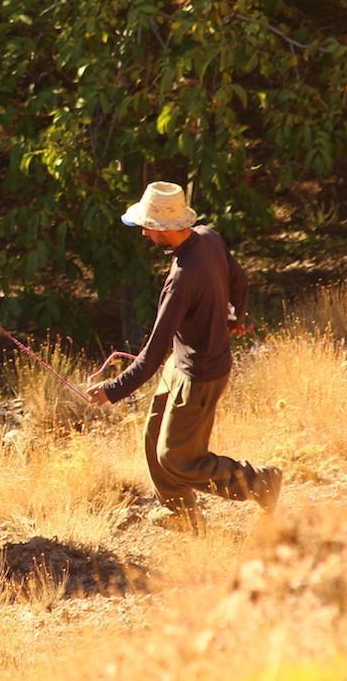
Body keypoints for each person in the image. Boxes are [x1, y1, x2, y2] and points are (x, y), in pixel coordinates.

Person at [84, 181, 282, 530]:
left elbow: (150, 355)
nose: (144, 232)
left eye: (148, 226)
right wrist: (236, 318)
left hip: (200, 376)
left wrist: (111, 391)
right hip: (182, 362)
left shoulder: (181, 280)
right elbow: (242, 280)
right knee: (153, 434)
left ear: (163, 228)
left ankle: (259, 482)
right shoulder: (208, 237)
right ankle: (182, 516)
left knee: (177, 458)